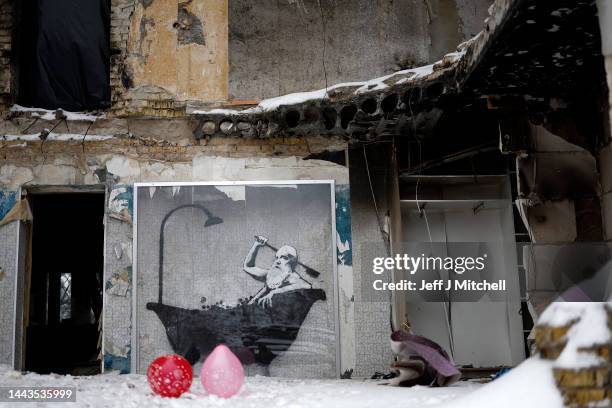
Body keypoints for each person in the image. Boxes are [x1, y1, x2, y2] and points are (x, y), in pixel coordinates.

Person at [243, 235, 312, 307]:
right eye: (277, 258)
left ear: (292, 263)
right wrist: (256, 245)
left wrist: (276, 291)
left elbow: (307, 285)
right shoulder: (270, 275)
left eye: (284, 258)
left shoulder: (292, 277)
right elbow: (248, 267)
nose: (278, 261)